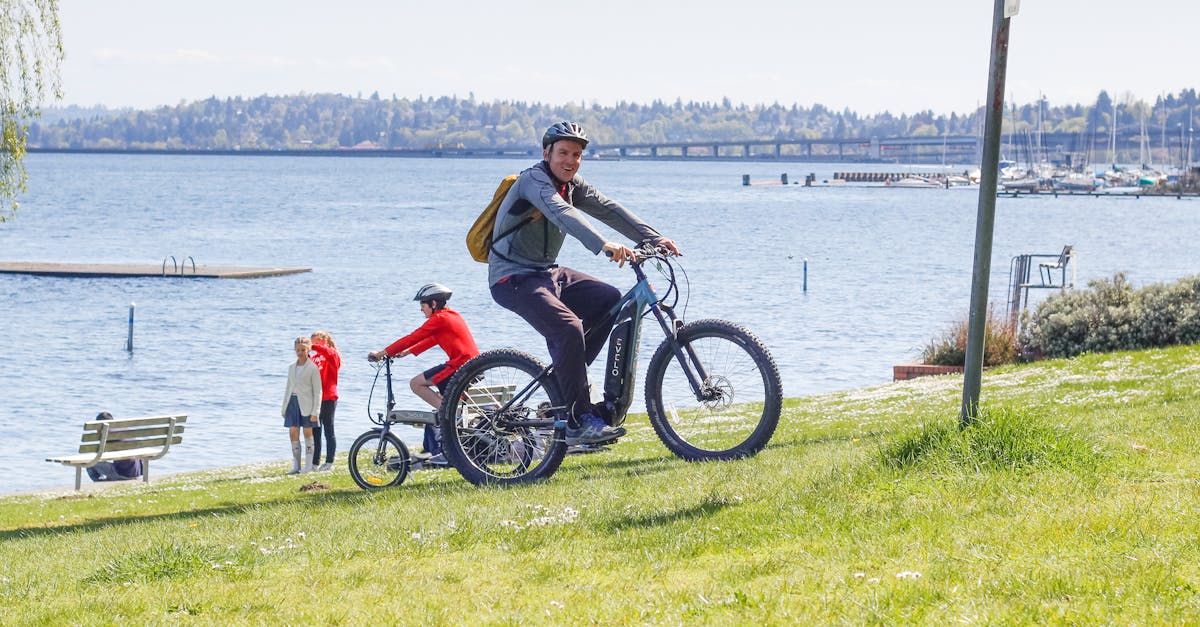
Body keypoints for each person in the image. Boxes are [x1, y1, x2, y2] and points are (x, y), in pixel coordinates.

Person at [487, 121, 681, 444]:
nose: (570, 161)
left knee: (609, 300)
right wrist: (603, 244)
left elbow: (609, 209)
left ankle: (567, 385)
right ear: (546, 153)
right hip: (511, 276)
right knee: (568, 328)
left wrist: (654, 237)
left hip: (546, 272)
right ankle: (578, 421)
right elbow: (562, 213)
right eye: (563, 153)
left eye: (577, 155)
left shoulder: (573, 185)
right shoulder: (533, 181)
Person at [368, 283, 480, 466]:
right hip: (470, 364)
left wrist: (381, 353)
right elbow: (433, 338)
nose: (421, 309)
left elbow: (413, 336)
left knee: (416, 384)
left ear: (433, 303)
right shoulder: (451, 316)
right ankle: (451, 418)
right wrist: (408, 352)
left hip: (459, 365)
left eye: (423, 305)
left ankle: (450, 419)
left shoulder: (439, 319)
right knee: (439, 396)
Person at [282, 336, 323, 474]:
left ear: (308, 349)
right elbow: (288, 388)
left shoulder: (313, 368)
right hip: (292, 403)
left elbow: (318, 391)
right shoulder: (291, 367)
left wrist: (315, 412)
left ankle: (309, 466)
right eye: (298, 350)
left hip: (307, 405)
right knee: (293, 432)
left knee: (307, 433)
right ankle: (296, 466)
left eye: (303, 350)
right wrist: (284, 407)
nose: (300, 352)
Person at [309, 330, 341, 472]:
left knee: (329, 429)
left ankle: (329, 462)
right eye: (312, 343)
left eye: (316, 343)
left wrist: (312, 346)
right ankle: (315, 463)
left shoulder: (332, 354)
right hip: (315, 398)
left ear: (324, 340)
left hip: (329, 397)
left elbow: (328, 353)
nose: (313, 346)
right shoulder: (315, 358)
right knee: (316, 430)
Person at [85, 411, 144, 482]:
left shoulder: (108, 434)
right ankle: (108, 480)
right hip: (137, 472)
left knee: (89, 464)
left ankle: (101, 483)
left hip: (123, 474)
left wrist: (99, 433)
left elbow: (99, 457)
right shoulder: (125, 429)